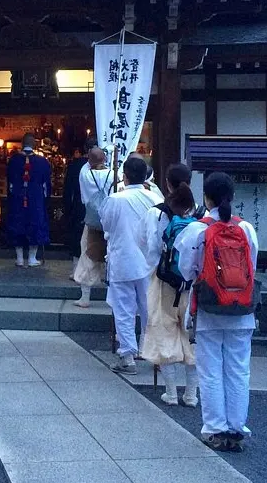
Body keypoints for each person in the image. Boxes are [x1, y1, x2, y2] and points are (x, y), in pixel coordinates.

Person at [174, 171, 259, 452]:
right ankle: (237, 427)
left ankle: (214, 428)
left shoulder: (196, 230)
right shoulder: (246, 229)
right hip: (242, 309)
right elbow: (252, 267)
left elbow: (186, 271)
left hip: (209, 308)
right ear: (232, 197)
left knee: (210, 370)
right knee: (238, 369)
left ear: (205, 197)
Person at [141, 163, 200, 407]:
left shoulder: (158, 213)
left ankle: (172, 393)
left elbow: (148, 246)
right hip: (193, 284)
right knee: (192, 335)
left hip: (164, 281)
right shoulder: (200, 215)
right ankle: (192, 394)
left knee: (164, 331)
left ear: (167, 183)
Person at [100, 156, 160, 373]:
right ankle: (152, 351)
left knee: (123, 309)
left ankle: (128, 356)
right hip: (148, 261)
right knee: (149, 308)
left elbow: (105, 224)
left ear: (124, 176)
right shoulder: (154, 198)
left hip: (123, 259)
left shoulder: (116, 199)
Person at [72, 146, 112, 308]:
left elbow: (87, 164)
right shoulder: (113, 175)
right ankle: (112, 295)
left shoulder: (85, 175)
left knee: (88, 256)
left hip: (92, 221)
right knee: (112, 258)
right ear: (104, 159)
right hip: (110, 221)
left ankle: (85, 297)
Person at [5, 133, 51, 267]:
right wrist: (46, 199)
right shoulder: (42, 162)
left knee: (17, 223)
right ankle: (32, 257)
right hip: (35, 198)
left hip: (17, 197)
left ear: (21, 144)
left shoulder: (13, 160)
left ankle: (19, 258)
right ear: (34, 144)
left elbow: (9, 182)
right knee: (35, 224)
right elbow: (46, 184)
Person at [62, 138, 96, 278]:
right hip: (95, 207)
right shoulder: (102, 166)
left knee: (77, 237)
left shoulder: (75, 165)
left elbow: (67, 189)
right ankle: (93, 271)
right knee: (94, 238)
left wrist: (67, 207)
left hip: (78, 205)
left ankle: (76, 269)